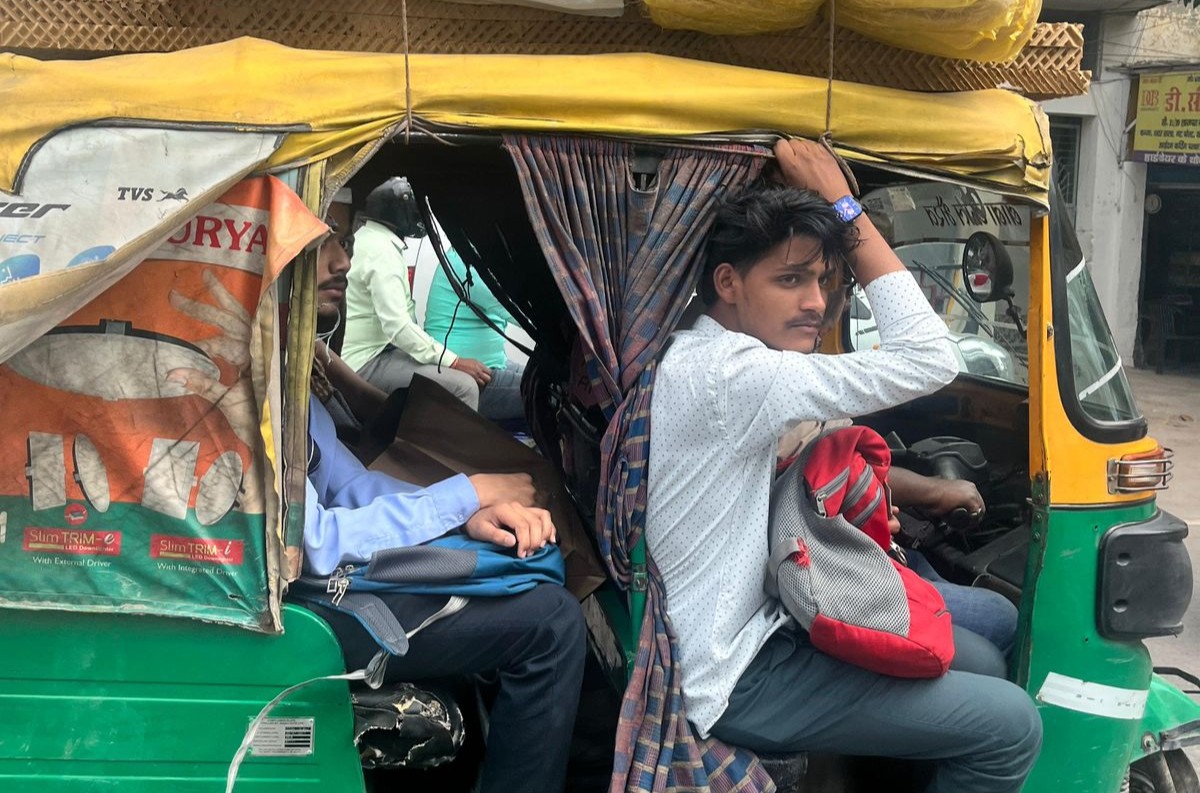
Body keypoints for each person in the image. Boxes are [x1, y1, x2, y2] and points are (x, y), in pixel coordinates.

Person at [645, 140, 1040, 792]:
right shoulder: (736, 374)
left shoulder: (701, 352)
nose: (815, 303)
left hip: (757, 625)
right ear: (728, 282)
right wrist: (841, 202)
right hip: (732, 675)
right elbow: (931, 358)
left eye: (824, 281)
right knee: (1013, 725)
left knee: (975, 654)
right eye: (790, 279)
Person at [305, 194, 586, 793]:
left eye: (341, 243)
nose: (342, 262)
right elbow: (317, 543)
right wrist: (466, 492)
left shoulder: (289, 378)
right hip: (310, 607)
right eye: (323, 241)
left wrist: (466, 518)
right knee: (553, 623)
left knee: (520, 573)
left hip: (328, 584)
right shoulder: (249, 389)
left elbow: (350, 486)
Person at [776, 422, 1019, 655]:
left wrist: (876, 507)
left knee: (925, 566)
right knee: (1002, 619)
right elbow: (818, 479)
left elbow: (852, 463)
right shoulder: (778, 418)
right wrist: (936, 491)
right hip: (835, 574)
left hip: (877, 554)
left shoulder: (812, 410)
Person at [340, 177, 492, 410]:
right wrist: (453, 361)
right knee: (464, 386)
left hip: (376, 353)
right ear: (395, 212)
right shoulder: (382, 251)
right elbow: (398, 327)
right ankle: (444, 437)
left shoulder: (368, 238)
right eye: (413, 209)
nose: (418, 215)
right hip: (368, 361)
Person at [424, 246, 527, 423]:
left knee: (547, 379)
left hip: (495, 363)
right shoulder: (464, 265)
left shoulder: (475, 254)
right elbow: (515, 310)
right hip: (475, 374)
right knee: (552, 394)